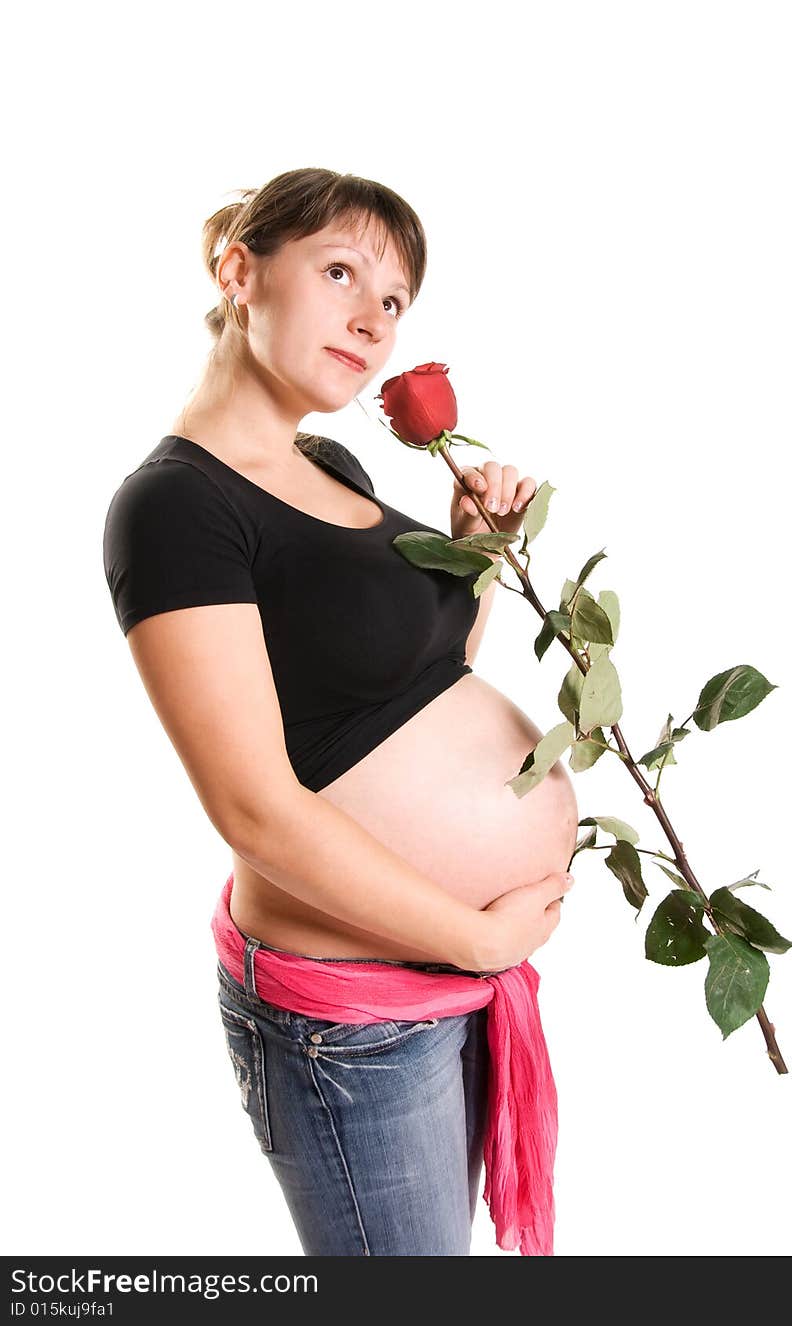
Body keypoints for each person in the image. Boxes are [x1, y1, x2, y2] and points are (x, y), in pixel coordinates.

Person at [102, 167, 578, 1257]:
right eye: (338, 272)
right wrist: (473, 936)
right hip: (349, 1023)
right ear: (239, 271)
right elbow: (254, 809)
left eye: (397, 299)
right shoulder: (175, 503)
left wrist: (478, 560)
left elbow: (411, 690)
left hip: (436, 983)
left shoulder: (329, 462)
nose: (373, 318)